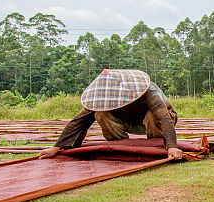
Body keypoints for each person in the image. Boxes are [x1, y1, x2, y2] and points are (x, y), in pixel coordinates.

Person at [38, 69, 186, 161]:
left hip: (153, 123)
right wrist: (57, 147)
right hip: (127, 122)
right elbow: (79, 121)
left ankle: (155, 146)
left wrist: (172, 147)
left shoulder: (149, 92)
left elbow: (163, 118)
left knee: (151, 115)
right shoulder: (103, 97)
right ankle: (120, 147)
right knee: (100, 113)